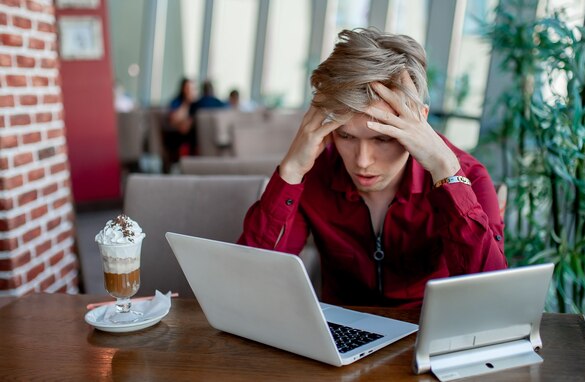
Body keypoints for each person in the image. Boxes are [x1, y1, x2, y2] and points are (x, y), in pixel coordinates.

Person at [238, 28, 507, 309]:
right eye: (345, 136)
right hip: (338, 334)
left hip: (424, 333)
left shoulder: (467, 176)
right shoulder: (316, 172)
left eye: (383, 138)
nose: (362, 160)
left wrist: (446, 172)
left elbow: (489, 301)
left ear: (420, 121)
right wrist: (291, 171)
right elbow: (250, 283)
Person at [165, 77, 197, 168]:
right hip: (176, 132)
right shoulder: (176, 102)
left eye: (192, 88)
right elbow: (173, 119)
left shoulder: (196, 104)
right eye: (187, 88)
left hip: (191, 132)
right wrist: (186, 103)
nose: (190, 91)